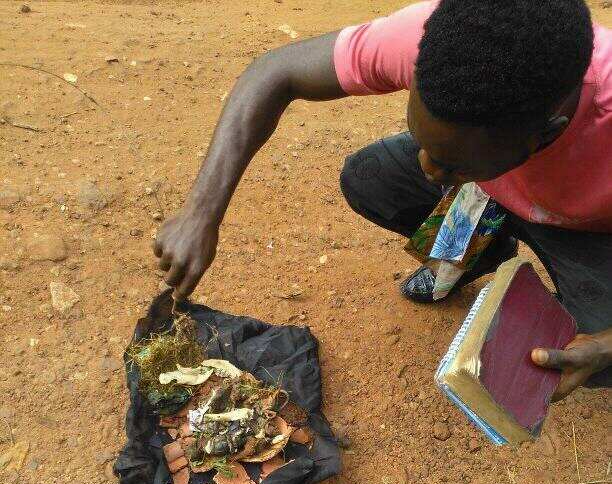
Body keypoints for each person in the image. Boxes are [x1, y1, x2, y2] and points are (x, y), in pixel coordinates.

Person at [153, 0, 612, 401]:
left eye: (452, 165)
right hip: (496, 188)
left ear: (547, 132)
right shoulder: (435, 39)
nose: (431, 172)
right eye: (423, 140)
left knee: (595, 356)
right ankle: (483, 249)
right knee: (371, 178)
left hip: (584, 227)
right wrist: (201, 211)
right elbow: (274, 72)